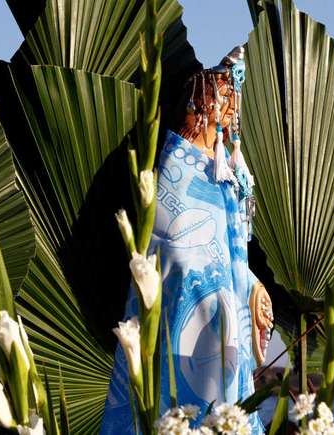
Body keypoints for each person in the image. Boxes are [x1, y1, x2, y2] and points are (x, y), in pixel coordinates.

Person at [101, 47, 274, 434]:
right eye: (223, 98)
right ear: (202, 102)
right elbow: (168, 237)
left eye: (232, 102)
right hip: (184, 301)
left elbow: (232, 246)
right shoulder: (177, 161)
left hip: (221, 309)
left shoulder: (225, 172)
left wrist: (249, 286)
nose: (229, 110)